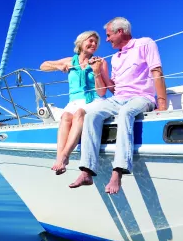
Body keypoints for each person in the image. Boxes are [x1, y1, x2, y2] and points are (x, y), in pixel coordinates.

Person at [69, 17, 168, 194]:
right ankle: (87, 171)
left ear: (120, 31)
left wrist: (162, 104)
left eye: (108, 35)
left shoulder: (145, 43)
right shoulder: (115, 58)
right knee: (91, 115)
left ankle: (118, 172)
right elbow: (114, 89)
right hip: (119, 98)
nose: (106, 40)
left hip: (141, 97)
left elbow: (157, 71)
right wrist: (98, 72)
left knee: (125, 113)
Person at [40, 31, 108, 175]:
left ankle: (64, 156)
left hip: (94, 99)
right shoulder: (70, 61)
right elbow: (43, 65)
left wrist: (96, 71)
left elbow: (102, 92)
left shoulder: (100, 62)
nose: (93, 44)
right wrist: (58, 67)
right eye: (90, 41)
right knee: (65, 117)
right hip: (74, 100)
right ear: (81, 43)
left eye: (96, 43)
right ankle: (59, 157)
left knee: (79, 114)